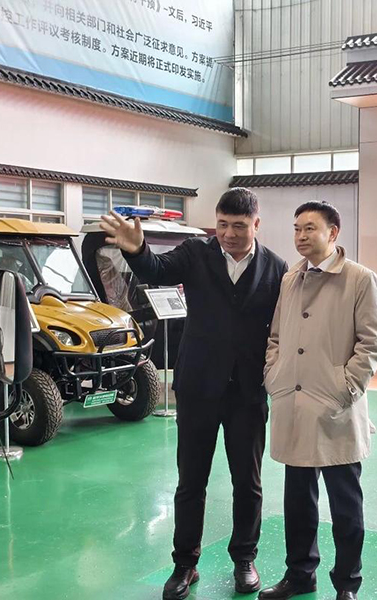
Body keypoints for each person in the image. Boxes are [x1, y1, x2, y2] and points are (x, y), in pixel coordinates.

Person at [100, 188, 288, 600]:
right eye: (222, 225)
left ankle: (244, 559)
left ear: (256, 224)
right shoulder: (195, 253)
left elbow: (285, 327)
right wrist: (137, 250)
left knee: (248, 483)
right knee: (191, 481)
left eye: (239, 226)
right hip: (199, 387)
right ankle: (185, 564)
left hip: (248, 393)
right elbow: (156, 269)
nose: (229, 234)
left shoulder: (276, 268)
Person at [259, 201, 377, 600]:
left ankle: (347, 583)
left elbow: (372, 344)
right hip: (293, 404)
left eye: (310, 228)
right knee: (298, 502)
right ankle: (300, 574)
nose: (300, 236)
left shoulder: (359, 279)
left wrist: (343, 389)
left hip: (336, 408)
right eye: (297, 228)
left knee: (346, 505)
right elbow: (276, 337)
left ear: (333, 232)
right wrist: (274, 375)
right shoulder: (290, 278)